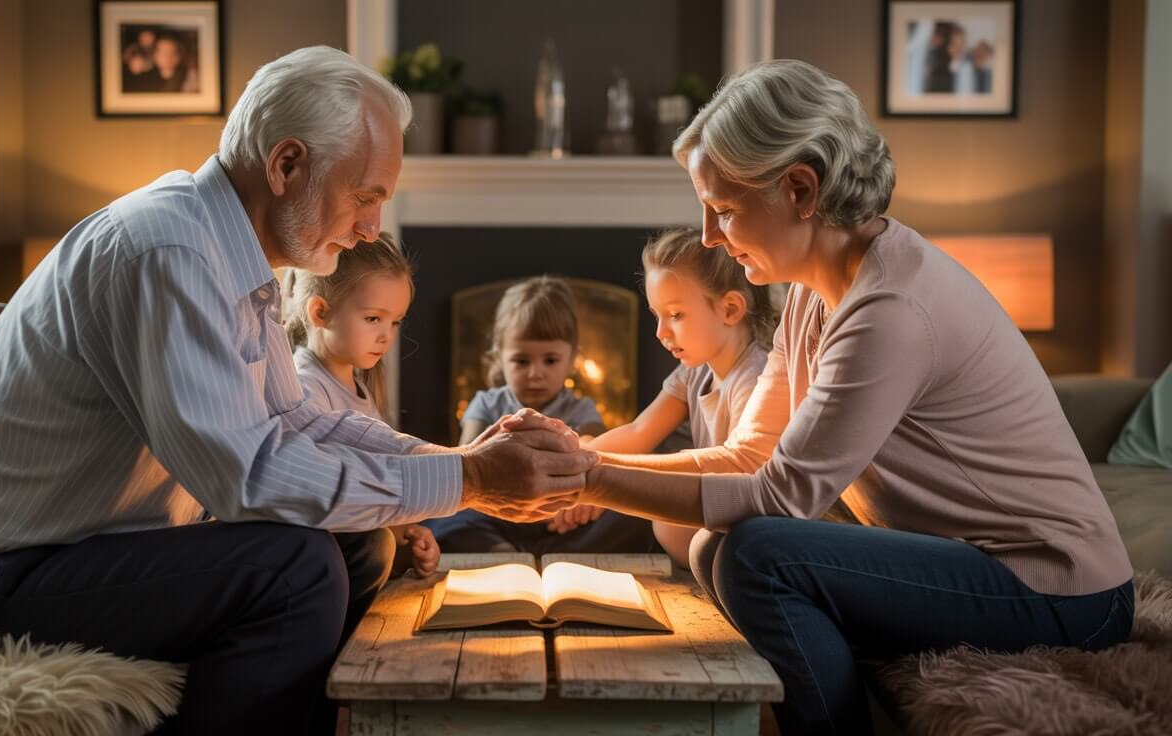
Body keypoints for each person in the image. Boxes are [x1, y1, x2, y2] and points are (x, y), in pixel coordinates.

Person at [0, 46, 593, 735]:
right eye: (364, 197)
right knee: (295, 567)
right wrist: (469, 480)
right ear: (286, 164)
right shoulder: (168, 250)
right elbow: (249, 474)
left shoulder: (233, 261)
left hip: (77, 560)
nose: (371, 229)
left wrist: (453, 460)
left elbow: (297, 421)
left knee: (360, 545)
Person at [510, 59, 1134, 734]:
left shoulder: (889, 309)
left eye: (724, 210)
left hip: (1058, 589)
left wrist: (588, 480)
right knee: (713, 547)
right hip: (976, 563)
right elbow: (749, 455)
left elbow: (782, 497)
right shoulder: (812, 293)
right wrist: (587, 463)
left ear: (801, 189)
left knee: (758, 554)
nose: (710, 236)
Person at [565, 227, 773, 568]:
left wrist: (592, 477)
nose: (661, 333)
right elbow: (639, 431)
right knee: (634, 505)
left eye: (675, 315)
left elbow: (739, 473)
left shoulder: (755, 378)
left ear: (730, 309)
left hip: (747, 519)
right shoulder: (695, 370)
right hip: (710, 515)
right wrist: (572, 463)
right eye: (656, 315)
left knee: (658, 514)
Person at [425, 276, 654, 555]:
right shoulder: (485, 405)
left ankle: (544, 554)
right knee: (443, 517)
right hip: (499, 515)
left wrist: (584, 499)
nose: (535, 373)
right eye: (522, 361)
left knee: (633, 513)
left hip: (562, 520)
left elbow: (593, 455)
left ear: (572, 360)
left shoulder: (581, 409)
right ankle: (506, 550)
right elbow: (466, 462)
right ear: (499, 357)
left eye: (550, 360)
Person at [279, 235, 440, 579]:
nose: (387, 336)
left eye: (395, 322)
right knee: (373, 545)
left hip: (357, 538)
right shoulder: (304, 388)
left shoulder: (359, 387)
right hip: (319, 550)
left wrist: (407, 532)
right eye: (372, 319)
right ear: (321, 312)